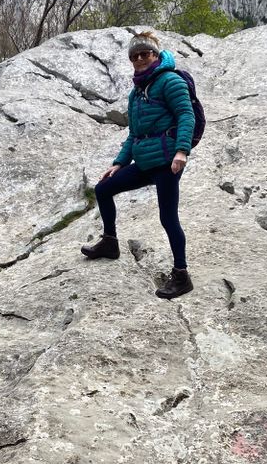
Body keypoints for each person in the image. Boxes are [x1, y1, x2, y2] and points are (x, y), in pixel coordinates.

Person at [80, 31, 195, 299]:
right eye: (135, 56)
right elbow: (134, 134)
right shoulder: (137, 91)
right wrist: (119, 163)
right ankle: (110, 243)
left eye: (146, 54)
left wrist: (181, 151)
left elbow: (186, 115)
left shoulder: (170, 81)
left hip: (168, 162)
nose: (141, 59)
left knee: (168, 218)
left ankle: (182, 275)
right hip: (145, 160)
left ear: (155, 55)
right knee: (103, 188)